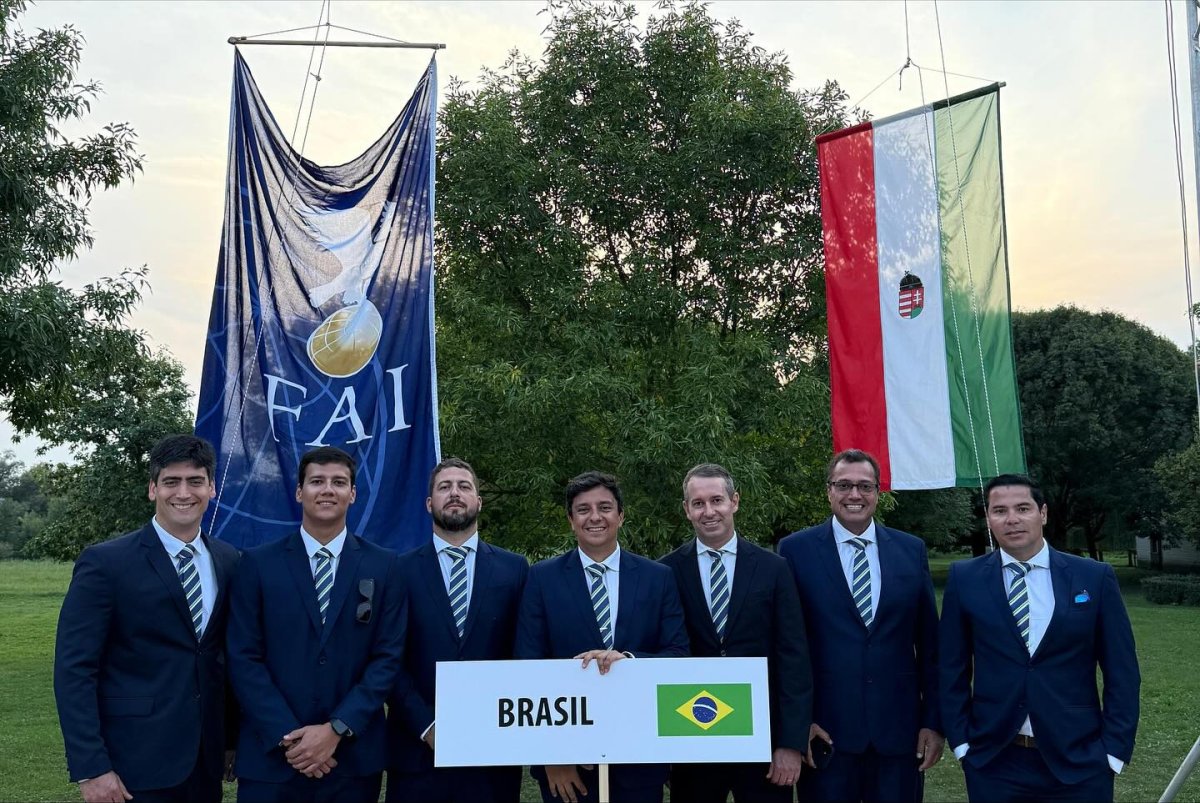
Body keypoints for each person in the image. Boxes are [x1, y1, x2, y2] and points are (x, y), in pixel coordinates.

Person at [54, 434, 240, 803]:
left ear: (212, 488)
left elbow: (225, 657)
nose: (183, 493)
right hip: (132, 764)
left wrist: (230, 739)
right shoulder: (106, 563)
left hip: (205, 764)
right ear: (153, 489)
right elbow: (74, 669)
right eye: (171, 481)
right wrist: (92, 767)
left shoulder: (229, 560)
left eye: (195, 481)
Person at [939, 473, 1140, 802]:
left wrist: (1113, 752)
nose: (1012, 519)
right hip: (994, 761)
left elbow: (1122, 670)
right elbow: (951, 668)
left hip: (1080, 761)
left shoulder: (1093, 577)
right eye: (1000, 510)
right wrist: (962, 744)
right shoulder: (965, 579)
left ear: (1042, 513)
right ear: (988, 518)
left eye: (1023, 508)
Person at [226, 446, 406, 803]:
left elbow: (388, 657)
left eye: (339, 482)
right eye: (317, 481)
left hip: (352, 761)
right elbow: (243, 656)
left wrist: (336, 729)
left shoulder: (385, 566)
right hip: (272, 761)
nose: (327, 490)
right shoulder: (257, 564)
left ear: (352, 494)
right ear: (299, 492)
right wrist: (289, 736)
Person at [515, 470, 689, 803]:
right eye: (583, 509)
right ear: (571, 520)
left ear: (621, 515)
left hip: (640, 755)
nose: (595, 517)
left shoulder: (658, 578)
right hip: (568, 765)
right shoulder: (541, 579)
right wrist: (553, 756)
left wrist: (630, 661)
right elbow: (528, 665)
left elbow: (678, 653)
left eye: (605, 507)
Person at [779, 449, 942, 802]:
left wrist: (932, 721)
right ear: (829, 491)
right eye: (844, 485)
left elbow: (931, 646)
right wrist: (799, 723)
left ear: (877, 493)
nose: (854, 494)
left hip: (899, 736)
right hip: (825, 734)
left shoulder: (910, 550)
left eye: (865, 486)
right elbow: (787, 646)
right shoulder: (795, 551)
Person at [659, 463, 812, 802]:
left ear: (735, 502)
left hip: (763, 743)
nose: (708, 511)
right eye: (698, 503)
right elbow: (663, 656)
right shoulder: (665, 571)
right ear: (686, 509)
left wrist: (790, 743)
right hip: (691, 737)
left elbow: (793, 658)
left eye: (717, 500)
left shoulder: (774, 568)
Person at [386, 457, 528, 802]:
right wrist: (426, 725)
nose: (454, 493)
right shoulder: (397, 570)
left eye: (464, 486)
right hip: (417, 752)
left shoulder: (515, 569)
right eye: (444, 487)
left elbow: (524, 652)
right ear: (429, 503)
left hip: (493, 751)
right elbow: (387, 657)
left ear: (478, 501)